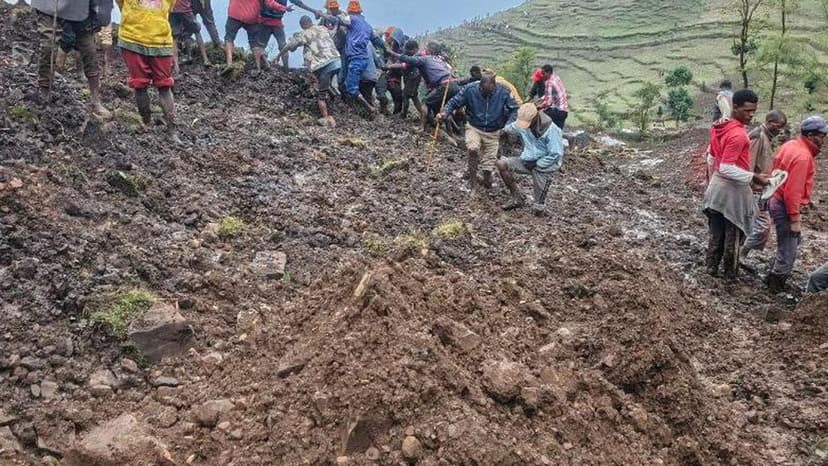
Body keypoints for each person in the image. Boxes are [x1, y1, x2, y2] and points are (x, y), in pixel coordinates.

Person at [703, 89, 769, 279]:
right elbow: (726, 167)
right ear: (736, 107)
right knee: (733, 236)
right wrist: (755, 177)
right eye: (747, 111)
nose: (751, 115)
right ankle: (730, 276)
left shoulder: (719, 127)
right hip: (731, 193)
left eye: (753, 111)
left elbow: (713, 159)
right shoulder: (739, 135)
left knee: (716, 234)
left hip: (716, 190)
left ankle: (710, 269)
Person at [765, 116, 826, 292]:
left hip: (775, 198)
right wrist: (795, 219)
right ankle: (775, 286)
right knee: (789, 249)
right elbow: (793, 192)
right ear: (811, 135)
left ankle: (773, 275)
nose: (823, 139)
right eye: (822, 135)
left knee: (787, 244)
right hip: (784, 204)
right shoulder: (803, 157)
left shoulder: (790, 145)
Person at [438, 73, 518, 192]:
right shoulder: (470, 89)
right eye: (483, 92)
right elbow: (454, 102)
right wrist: (445, 113)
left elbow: (514, 110)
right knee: (473, 149)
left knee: (488, 166)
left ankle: (486, 179)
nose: (486, 94)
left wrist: (507, 127)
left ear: (494, 87)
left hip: (494, 131)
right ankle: (473, 183)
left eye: (489, 92)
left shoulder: (504, 91)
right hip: (474, 126)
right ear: (480, 86)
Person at [30, 0, 110, 117]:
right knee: (48, 45)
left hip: (80, 7)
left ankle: (95, 101)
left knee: (89, 49)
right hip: (50, 5)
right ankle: (44, 91)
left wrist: (101, 13)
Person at [116, 0, 179, 142]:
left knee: (163, 85)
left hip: (159, 40)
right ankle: (146, 124)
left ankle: (171, 128)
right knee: (140, 85)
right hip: (132, 38)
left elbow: (170, 6)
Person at [496, 103, 565, 215]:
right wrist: (500, 131)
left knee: (538, 210)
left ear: (534, 118)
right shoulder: (521, 123)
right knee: (501, 164)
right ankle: (517, 197)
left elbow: (555, 154)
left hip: (545, 165)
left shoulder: (551, 130)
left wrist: (538, 163)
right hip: (527, 160)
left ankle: (539, 206)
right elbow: (511, 128)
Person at [275, 15, 340, 126]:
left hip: (323, 66)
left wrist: (278, 56)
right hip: (337, 62)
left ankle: (327, 119)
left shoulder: (305, 33)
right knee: (328, 84)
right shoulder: (323, 28)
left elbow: (291, 45)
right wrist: (337, 23)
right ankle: (335, 96)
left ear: (303, 25)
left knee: (321, 95)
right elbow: (333, 31)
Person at [742, 110, 788, 257]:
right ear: (770, 123)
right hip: (753, 190)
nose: (780, 130)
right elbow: (748, 166)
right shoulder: (758, 136)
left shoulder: (766, 137)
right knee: (761, 227)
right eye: (779, 126)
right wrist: (755, 182)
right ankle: (742, 253)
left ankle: (742, 253)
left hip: (761, 189)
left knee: (757, 226)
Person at [388, 39, 458, 126]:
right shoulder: (441, 59)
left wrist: (392, 53)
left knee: (425, 102)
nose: (425, 49)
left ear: (430, 50)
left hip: (444, 84)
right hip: (454, 84)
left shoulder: (425, 58)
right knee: (442, 108)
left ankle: (421, 127)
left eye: (427, 48)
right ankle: (451, 130)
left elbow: (408, 60)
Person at [340, 0, 385, 115]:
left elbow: (341, 20)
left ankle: (369, 110)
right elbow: (379, 62)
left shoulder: (352, 25)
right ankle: (371, 115)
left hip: (363, 75)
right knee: (367, 95)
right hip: (371, 76)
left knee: (352, 89)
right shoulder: (367, 36)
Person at [170, 0, 210, 74]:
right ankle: (206, 60)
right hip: (185, 8)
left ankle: (176, 68)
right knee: (197, 30)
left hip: (172, 9)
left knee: (174, 38)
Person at [383, 26, 408, 116]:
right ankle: (387, 110)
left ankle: (397, 113)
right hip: (392, 73)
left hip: (397, 72)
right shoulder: (392, 46)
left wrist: (389, 66)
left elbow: (401, 62)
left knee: (398, 95)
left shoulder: (403, 48)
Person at [535, 64, 568, 130]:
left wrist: (538, 107)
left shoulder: (548, 83)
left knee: (539, 116)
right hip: (564, 110)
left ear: (549, 73)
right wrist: (541, 99)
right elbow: (550, 95)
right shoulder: (556, 77)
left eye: (543, 73)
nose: (542, 75)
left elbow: (548, 103)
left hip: (558, 111)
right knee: (558, 131)